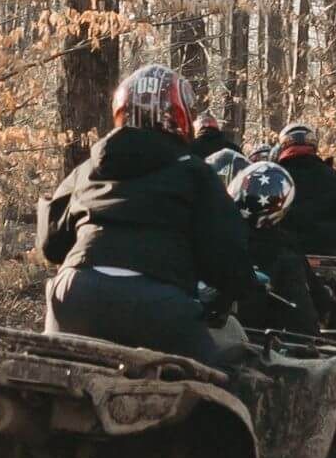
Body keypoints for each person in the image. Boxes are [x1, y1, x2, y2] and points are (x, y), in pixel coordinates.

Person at [38, 65, 261, 364]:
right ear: (179, 115)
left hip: (75, 296)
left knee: (47, 382)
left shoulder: (86, 169)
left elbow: (50, 245)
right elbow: (226, 257)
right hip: (159, 308)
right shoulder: (194, 172)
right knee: (222, 388)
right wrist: (240, 286)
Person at [230, 162, 321, 335]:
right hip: (253, 343)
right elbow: (304, 321)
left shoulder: (212, 230)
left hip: (203, 332)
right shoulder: (284, 249)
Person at [274, 122, 336, 258]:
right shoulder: (335, 177)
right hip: (335, 259)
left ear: (283, 145)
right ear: (314, 145)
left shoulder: (275, 177)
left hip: (288, 259)